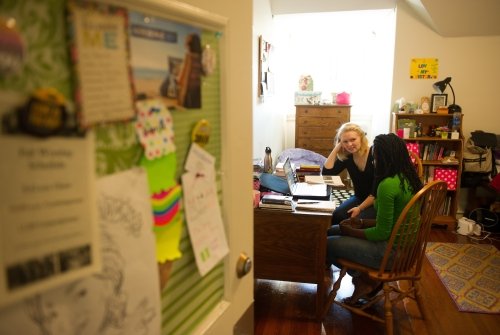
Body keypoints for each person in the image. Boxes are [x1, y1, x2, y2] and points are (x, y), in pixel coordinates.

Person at [325, 133, 423, 305]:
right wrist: (361, 223)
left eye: (376, 157)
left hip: (392, 253)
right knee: (330, 230)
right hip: (408, 247)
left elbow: (381, 232)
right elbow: (390, 222)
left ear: (386, 158)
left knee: (326, 241)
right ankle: (363, 279)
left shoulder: (387, 186)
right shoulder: (407, 178)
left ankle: (364, 280)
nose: (373, 161)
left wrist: (352, 232)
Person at [322, 122, 376, 235]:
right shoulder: (348, 157)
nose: (349, 144)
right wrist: (337, 148)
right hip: (359, 197)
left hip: (375, 201)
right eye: (345, 141)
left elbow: (376, 192)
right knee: (337, 215)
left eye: (353, 139)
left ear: (361, 138)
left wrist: (360, 208)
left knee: (353, 221)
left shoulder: (374, 155)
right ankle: (334, 241)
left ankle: (346, 242)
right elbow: (327, 172)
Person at [176, 33, 203, 108]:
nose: (185, 43)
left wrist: (181, 94)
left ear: (190, 44)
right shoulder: (200, 57)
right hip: (197, 90)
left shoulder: (189, 57)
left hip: (189, 91)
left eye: (186, 41)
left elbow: (185, 76)